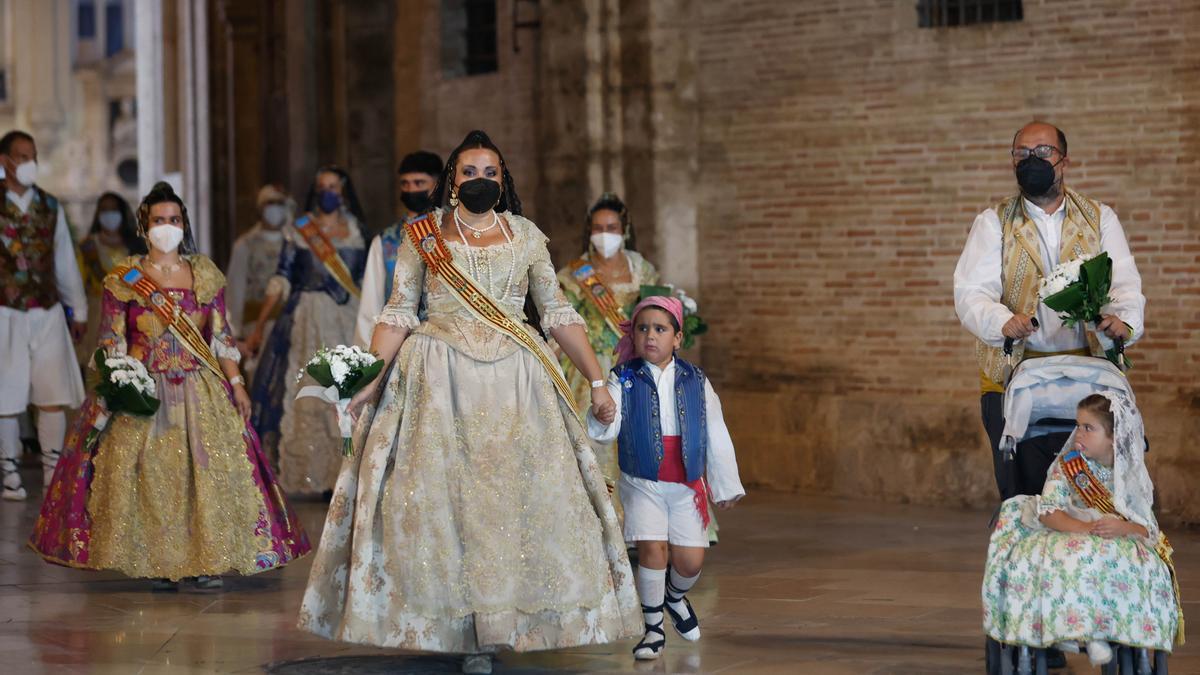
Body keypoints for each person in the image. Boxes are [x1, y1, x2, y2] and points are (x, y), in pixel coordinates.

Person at [298, 130, 641, 675]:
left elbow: (554, 312)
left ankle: (503, 622)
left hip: (517, 383)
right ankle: (457, 629)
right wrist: (366, 380)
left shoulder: (527, 235)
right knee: (440, 506)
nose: (480, 181)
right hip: (437, 379)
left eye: (490, 173)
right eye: (469, 173)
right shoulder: (423, 234)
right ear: (451, 182)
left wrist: (597, 381)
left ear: (502, 181)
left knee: (511, 505)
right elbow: (398, 311)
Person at [28, 182, 311, 589]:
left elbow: (222, 336)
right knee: (151, 477)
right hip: (145, 392)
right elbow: (111, 337)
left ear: (184, 224)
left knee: (208, 474)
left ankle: (207, 558)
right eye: (159, 220)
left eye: (174, 220)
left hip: (200, 389)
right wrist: (118, 376)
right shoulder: (125, 276)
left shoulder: (204, 273)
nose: (167, 227)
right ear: (144, 226)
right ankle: (158, 560)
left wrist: (237, 384)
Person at [953, 122, 1145, 500]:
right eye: (1022, 154)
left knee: (1095, 494)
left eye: (1042, 152)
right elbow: (971, 292)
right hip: (1014, 381)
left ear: (1064, 161)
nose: (1031, 160)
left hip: (1089, 379)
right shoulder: (993, 222)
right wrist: (1002, 322)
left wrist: (1123, 322)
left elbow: (1124, 285)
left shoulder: (1099, 217)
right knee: (1022, 492)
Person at [586, 296, 744, 661]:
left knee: (690, 560)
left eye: (660, 329)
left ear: (677, 338)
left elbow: (715, 431)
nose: (650, 336)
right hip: (642, 482)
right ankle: (653, 628)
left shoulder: (695, 379)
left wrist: (725, 485)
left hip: (686, 485)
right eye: (643, 329)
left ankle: (674, 596)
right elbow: (604, 429)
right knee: (652, 548)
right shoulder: (622, 378)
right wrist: (604, 414)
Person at [982, 393, 1182, 665]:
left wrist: (1122, 527)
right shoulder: (1068, 466)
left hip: (1116, 538)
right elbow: (1049, 511)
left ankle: (1109, 628)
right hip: (1072, 531)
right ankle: (1074, 629)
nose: (1079, 433)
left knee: (1132, 565)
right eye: (1078, 425)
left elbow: (1146, 527)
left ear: (1114, 437)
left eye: (1089, 428)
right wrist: (1086, 528)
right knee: (1071, 558)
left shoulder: (1130, 475)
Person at [247, 166, 367, 495]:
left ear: (344, 191)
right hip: (305, 321)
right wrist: (259, 327)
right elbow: (281, 278)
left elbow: (363, 282)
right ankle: (309, 474)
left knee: (347, 395)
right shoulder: (300, 230)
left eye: (334, 186)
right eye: (322, 186)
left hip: (347, 319)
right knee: (309, 392)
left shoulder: (356, 230)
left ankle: (344, 475)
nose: (328, 192)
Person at [0, 130, 89, 500]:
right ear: (5, 161)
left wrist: (79, 308)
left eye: (33, 156)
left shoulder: (50, 207)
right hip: (5, 311)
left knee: (51, 390)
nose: (30, 163)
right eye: (22, 156)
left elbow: (65, 259)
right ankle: (9, 470)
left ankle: (54, 470)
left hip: (48, 309)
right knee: (7, 393)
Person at [555, 192, 660, 484]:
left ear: (624, 230)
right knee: (588, 438)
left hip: (632, 364)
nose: (604, 235)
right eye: (598, 228)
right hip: (587, 367)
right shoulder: (575, 274)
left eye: (611, 228)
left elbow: (655, 313)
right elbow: (561, 320)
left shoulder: (642, 270)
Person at [354, 150, 442, 346]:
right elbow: (371, 303)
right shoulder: (386, 241)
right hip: (397, 344)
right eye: (405, 184)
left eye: (419, 183)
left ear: (437, 185)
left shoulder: (453, 235)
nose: (411, 190)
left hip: (445, 342)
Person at [225, 184, 292, 375]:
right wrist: (235, 333)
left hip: (290, 323)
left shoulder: (294, 243)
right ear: (261, 207)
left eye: (279, 203)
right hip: (256, 327)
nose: (275, 208)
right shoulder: (245, 245)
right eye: (270, 203)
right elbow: (235, 291)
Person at [76, 192, 147, 367]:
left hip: (131, 313)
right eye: (104, 210)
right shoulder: (88, 247)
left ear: (122, 213)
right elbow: (78, 283)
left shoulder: (135, 246)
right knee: (98, 366)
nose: (109, 215)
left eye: (114, 210)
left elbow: (143, 280)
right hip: (97, 314)